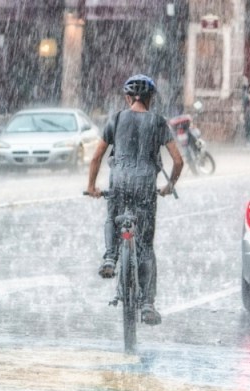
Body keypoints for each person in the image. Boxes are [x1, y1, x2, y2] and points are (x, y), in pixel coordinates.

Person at [85, 74, 184, 326]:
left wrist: (91, 186)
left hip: (119, 182)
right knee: (145, 247)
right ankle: (148, 304)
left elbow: (96, 157)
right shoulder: (159, 122)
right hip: (145, 187)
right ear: (150, 99)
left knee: (112, 216)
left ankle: (110, 257)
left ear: (128, 98)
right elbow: (178, 160)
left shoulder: (116, 119)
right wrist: (169, 185)